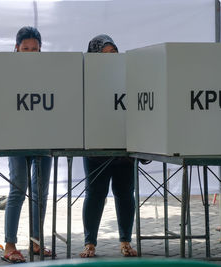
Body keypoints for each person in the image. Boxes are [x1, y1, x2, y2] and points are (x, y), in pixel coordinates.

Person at [80, 34, 137, 258]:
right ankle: (89, 244)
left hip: (123, 145)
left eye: (114, 53)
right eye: (104, 55)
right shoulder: (85, 78)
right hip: (96, 146)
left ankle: (125, 242)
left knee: (125, 193)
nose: (111, 58)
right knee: (95, 193)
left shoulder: (128, 75)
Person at [2, 26, 53, 264]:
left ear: (40, 49)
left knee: (40, 193)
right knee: (18, 189)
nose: (30, 53)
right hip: (15, 136)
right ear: (16, 48)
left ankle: (35, 242)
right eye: (26, 49)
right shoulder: (6, 70)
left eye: (35, 49)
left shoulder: (48, 70)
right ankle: (9, 245)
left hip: (43, 135)